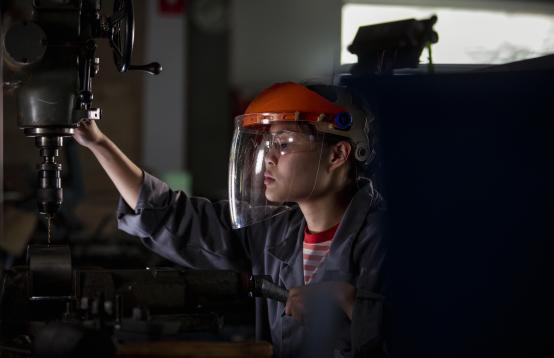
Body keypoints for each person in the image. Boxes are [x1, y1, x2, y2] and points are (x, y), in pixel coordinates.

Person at [74, 82, 386, 357]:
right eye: (268, 145)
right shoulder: (274, 231)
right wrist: (99, 144)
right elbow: (176, 219)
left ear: (337, 155)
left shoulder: (389, 242)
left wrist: (351, 306)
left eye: (285, 144)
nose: (269, 158)